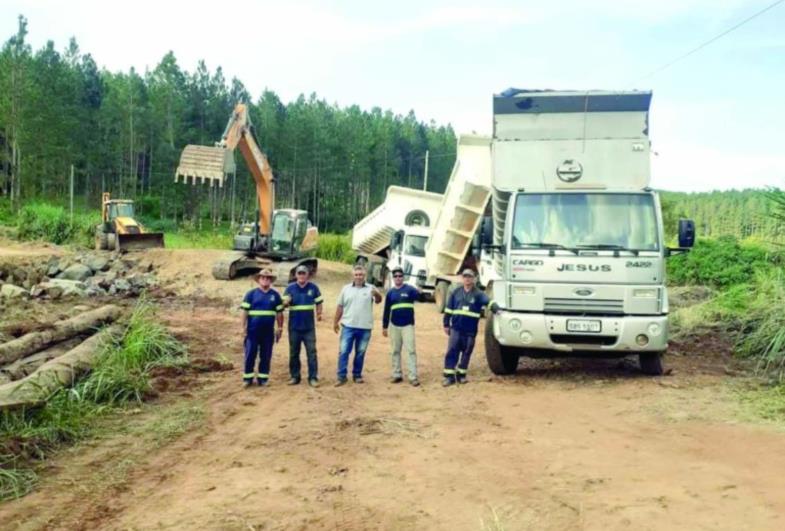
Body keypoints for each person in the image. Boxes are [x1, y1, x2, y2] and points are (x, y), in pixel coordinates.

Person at [442, 269, 497, 386]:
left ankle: (461, 375)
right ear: (462, 278)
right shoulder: (455, 292)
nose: (467, 279)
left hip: (470, 330)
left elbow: (488, 302)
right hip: (456, 328)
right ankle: (449, 376)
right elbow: (448, 310)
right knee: (452, 350)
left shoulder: (478, 294)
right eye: (465, 276)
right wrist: (446, 324)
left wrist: (496, 307)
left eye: (470, 277)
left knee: (467, 351)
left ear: (473, 279)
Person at [333, 264, 382, 386]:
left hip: (365, 327)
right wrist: (335, 322)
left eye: (361, 275)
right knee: (344, 351)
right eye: (356, 274)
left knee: (360, 352)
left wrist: (376, 294)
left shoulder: (371, 288)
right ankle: (341, 376)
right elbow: (340, 306)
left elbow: (379, 300)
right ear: (353, 276)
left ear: (365, 275)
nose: (358, 277)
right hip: (348, 326)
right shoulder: (346, 289)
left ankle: (357, 375)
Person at [240, 269, 284, 387]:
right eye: (263, 277)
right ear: (259, 279)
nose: (265, 280)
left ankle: (263, 379)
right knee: (250, 354)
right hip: (252, 332)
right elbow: (245, 312)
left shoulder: (275, 295)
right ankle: (247, 378)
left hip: (268, 333)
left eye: (267, 278)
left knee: (266, 355)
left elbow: (279, 313)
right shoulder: (251, 294)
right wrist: (243, 327)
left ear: (270, 280)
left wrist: (280, 328)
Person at [283, 265, 323, 387]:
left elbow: (319, 302)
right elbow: (283, 305)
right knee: (294, 352)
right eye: (299, 273)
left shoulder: (313, 288)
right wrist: (286, 302)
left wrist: (319, 313)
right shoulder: (290, 288)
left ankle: (313, 377)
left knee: (311, 352)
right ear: (296, 275)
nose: (301, 275)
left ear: (307, 275)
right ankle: (295, 376)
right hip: (294, 327)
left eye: (303, 273)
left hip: (309, 328)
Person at [382, 266, 420, 386]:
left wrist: (420, 291)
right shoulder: (390, 293)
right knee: (395, 351)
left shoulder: (410, 290)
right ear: (393, 278)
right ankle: (396, 374)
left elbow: (420, 297)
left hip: (408, 325)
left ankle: (413, 376)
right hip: (394, 326)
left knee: (411, 351)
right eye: (396, 276)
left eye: (400, 276)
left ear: (403, 277)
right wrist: (384, 326)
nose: (398, 278)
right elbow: (386, 310)